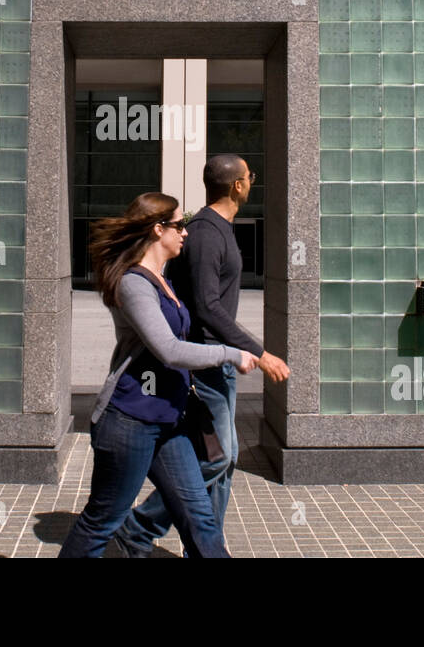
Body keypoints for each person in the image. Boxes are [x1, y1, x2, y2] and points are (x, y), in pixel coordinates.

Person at [58, 192, 258, 558]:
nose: (185, 233)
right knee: (103, 518)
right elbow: (169, 349)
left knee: (199, 516)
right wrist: (231, 355)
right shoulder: (134, 284)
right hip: (129, 421)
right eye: (179, 225)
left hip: (169, 420)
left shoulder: (162, 278)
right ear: (157, 229)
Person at [113, 154, 291, 558]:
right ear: (237, 186)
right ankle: (136, 528)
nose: (252, 181)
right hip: (208, 361)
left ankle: (208, 547)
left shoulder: (218, 230)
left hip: (220, 361)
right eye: (250, 176)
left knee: (221, 464)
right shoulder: (208, 234)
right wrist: (258, 353)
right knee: (217, 458)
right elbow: (209, 308)